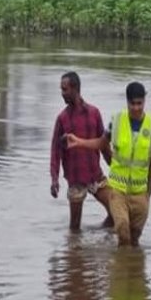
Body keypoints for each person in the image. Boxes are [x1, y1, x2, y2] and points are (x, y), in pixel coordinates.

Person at [65, 82, 151, 247]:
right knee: (123, 232)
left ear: (144, 101)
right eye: (132, 104)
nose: (136, 108)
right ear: (127, 102)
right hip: (118, 192)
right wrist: (79, 142)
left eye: (140, 103)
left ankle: (132, 270)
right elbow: (102, 143)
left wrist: (148, 195)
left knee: (134, 239)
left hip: (140, 194)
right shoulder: (116, 121)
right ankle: (120, 270)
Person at [50, 71, 113, 231]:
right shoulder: (62, 118)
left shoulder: (94, 113)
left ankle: (97, 235)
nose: (62, 94)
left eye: (65, 89)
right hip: (75, 179)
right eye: (61, 90)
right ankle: (76, 252)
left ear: (75, 88)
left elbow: (103, 143)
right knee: (75, 229)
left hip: (95, 176)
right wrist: (54, 179)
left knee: (115, 212)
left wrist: (115, 166)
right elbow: (55, 151)